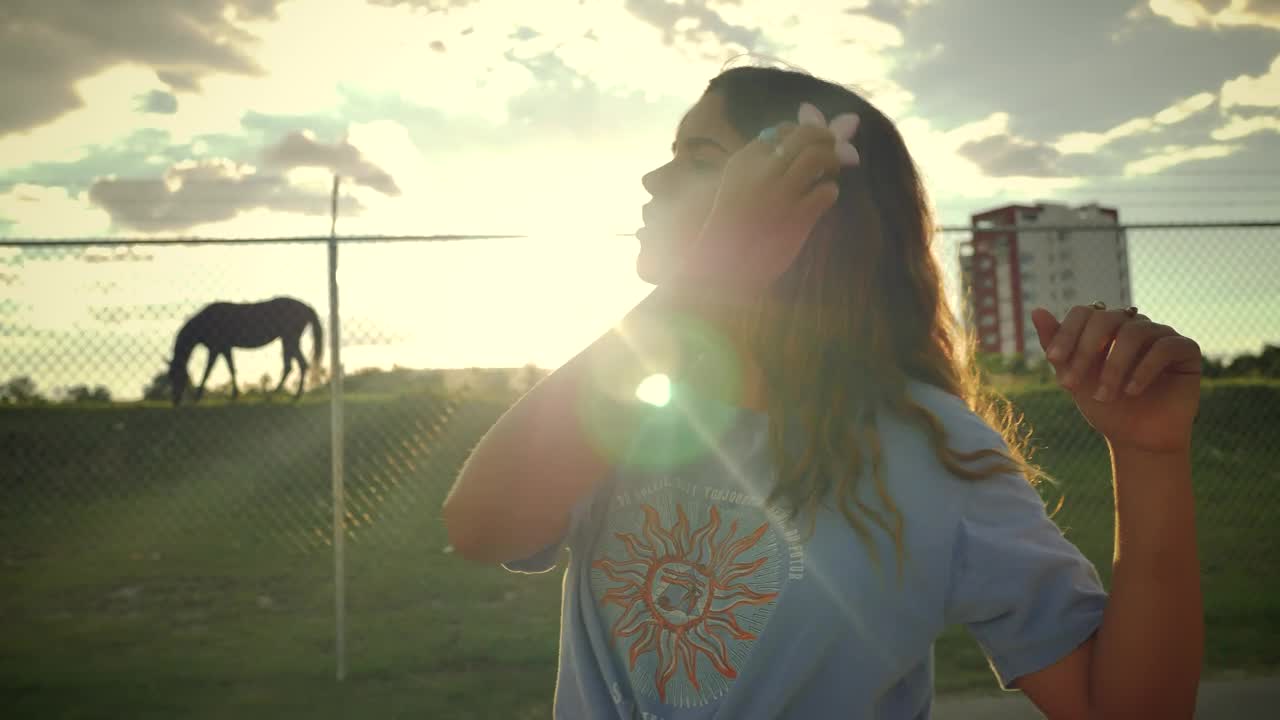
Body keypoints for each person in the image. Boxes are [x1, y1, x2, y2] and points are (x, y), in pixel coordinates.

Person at [443, 65, 1203, 719]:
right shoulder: (624, 399)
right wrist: (703, 284)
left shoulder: (934, 448)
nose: (652, 177)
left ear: (815, 206)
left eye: (698, 154)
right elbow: (482, 527)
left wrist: (1149, 454)